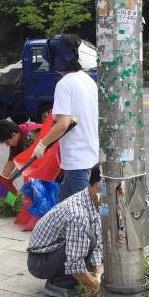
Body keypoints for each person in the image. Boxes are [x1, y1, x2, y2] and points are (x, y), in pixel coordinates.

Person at [32, 34, 99, 202]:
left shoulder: (64, 84)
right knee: (61, 209)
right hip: (91, 156)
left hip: (77, 161)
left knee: (87, 210)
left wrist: (42, 144)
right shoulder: (88, 80)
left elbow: (63, 124)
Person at [27, 164, 103, 297]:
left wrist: (99, 273)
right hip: (39, 261)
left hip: (53, 252)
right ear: (96, 188)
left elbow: (98, 243)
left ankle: (64, 277)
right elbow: (75, 265)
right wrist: (96, 286)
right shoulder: (78, 215)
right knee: (84, 241)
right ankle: (58, 284)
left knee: (90, 240)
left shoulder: (94, 201)